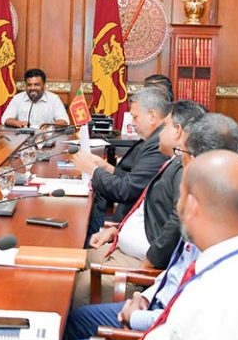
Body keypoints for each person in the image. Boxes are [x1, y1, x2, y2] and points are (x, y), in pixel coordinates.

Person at [53, 113, 238, 340]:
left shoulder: (230, 293)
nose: (176, 206)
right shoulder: (223, 243)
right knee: (66, 338)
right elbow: (175, 318)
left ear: (193, 204)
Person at [70, 101, 207, 308]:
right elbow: (148, 210)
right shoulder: (173, 161)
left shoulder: (184, 168)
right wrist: (117, 229)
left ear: (177, 132)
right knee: (65, 263)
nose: (161, 131)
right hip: (119, 248)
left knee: (71, 289)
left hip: (137, 264)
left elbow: (177, 221)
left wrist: (151, 261)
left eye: (166, 126)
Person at [73, 86, 170, 247]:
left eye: (135, 117)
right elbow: (136, 180)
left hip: (134, 227)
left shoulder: (159, 144)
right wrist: (106, 167)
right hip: (127, 222)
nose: (132, 123)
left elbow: (127, 190)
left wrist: (92, 170)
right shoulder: (154, 139)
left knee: (80, 226)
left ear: (152, 116)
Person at [1, 68, 69, 129]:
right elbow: (6, 119)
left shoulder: (54, 99)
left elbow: (64, 121)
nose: (32, 88)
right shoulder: (18, 98)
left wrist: (49, 126)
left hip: (47, 138)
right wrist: (18, 123)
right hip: (22, 138)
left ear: (44, 86)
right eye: (29, 85)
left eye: (36, 85)